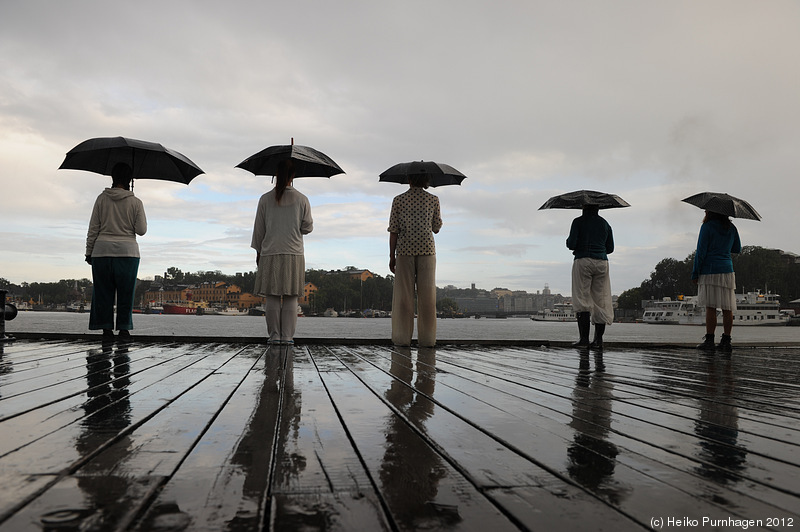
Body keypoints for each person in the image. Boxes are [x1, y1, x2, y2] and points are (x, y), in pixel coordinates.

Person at [251, 159, 313, 344]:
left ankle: (274, 336)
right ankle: (287, 337)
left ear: (276, 175)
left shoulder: (265, 199)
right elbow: (307, 227)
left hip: (270, 251)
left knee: (271, 296)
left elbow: (259, 229)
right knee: (291, 296)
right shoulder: (302, 199)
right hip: (293, 252)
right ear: (293, 176)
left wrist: (258, 253)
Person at [86, 162, 147, 339]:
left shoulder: (101, 199)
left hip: (101, 251)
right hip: (127, 252)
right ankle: (124, 329)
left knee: (103, 293)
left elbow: (93, 229)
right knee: (126, 293)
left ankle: (106, 329)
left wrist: (89, 252)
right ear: (129, 180)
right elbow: (141, 230)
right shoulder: (136, 202)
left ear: (112, 178)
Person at [388, 168, 442, 347]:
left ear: (409, 179)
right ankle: (427, 340)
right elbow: (436, 227)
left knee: (404, 297)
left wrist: (391, 256)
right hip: (427, 250)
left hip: (404, 250)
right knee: (427, 297)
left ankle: (402, 339)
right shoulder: (433, 200)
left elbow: (394, 230)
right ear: (426, 180)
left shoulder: (398, 200)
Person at [692, 210, 741, 352]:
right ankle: (726, 341)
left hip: (710, 270)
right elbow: (737, 248)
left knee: (710, 307)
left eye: (706, 209)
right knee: (727, 308)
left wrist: (695, 272)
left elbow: (700, 252)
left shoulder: (707, 226)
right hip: (727, 269)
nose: (705, 211)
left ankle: (709, 341)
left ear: (711, 211)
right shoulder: (732, 228)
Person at [566, 204, 614, 350]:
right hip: (602, 262)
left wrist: (569, 242)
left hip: (583, 260)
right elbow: (610, 248)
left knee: (582, 299)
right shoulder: (605, 224)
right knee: (601, 300)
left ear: (584, 208)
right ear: (598, 209)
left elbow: (572, 243)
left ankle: (584, 339)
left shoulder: (578, 222)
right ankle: (598, 341)